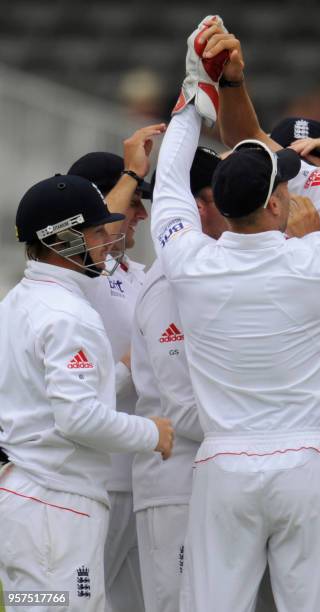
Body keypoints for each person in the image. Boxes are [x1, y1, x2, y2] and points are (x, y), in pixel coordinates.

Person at [151, 15, 320, 612]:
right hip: (309, 451)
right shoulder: (319, 251)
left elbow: (172, 186)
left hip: (269, 450)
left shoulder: (187, 257)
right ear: (277, 201)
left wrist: (188, 100)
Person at [0, 174, 173, 612]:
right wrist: (153, 433)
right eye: (96, 232)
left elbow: (50, 399)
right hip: (55, 503)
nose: (107, 241)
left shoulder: (19, 300)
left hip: (33, 496)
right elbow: (77, 419)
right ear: (63, 240)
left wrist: (122, 371)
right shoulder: (67, 314)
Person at [68, 123, 165, 612]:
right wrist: (132, 366)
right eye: (134, 203)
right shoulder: (76, 275)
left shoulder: (142, 275)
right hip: (93, 476)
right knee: (71, 601)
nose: (142, 217)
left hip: (142, 475)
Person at [132, 146, 223, 612]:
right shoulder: (170, 285)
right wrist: (268, 433)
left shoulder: (204, 275)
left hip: (208, 477)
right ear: (200, 208)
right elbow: (184, 409)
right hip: (175, 486)